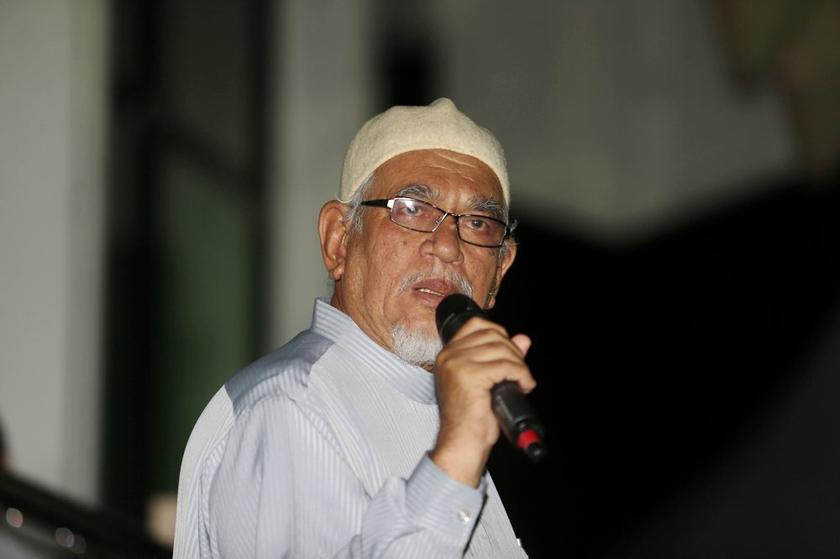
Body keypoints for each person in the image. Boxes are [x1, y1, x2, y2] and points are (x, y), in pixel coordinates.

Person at [173, 98, 536, 558]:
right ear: (339, 240)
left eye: (479, 223)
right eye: (413, 208)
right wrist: (456, 457)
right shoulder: (292, 405)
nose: (447, 247)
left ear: (499, 271)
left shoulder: (445, 413)